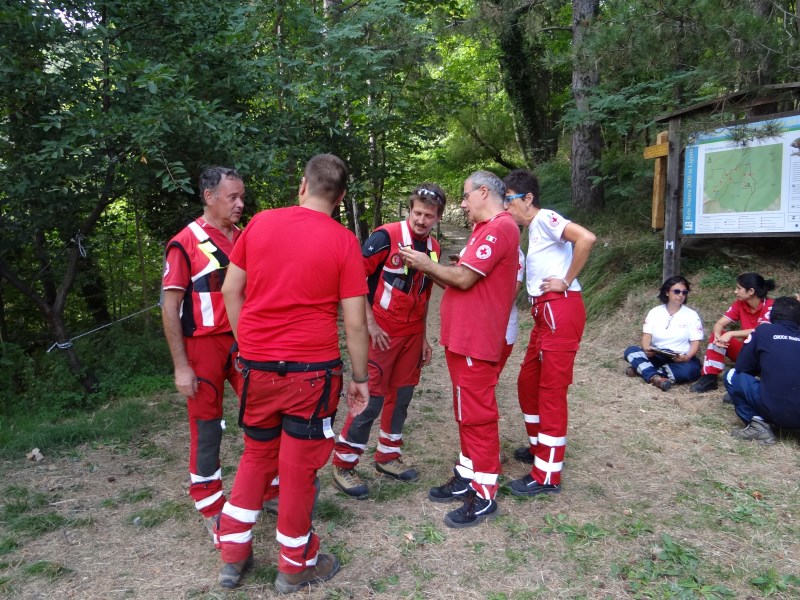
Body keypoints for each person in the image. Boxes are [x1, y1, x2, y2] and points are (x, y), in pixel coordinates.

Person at [216, 154, 370, 593]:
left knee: (256, 456)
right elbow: (355, 323)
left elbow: (231, 290)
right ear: (339, 199)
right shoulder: (343, 242)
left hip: (258, 369)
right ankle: (295, 565)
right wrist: (360, 378)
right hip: (312, 375)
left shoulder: (261, 223)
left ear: (303, 186)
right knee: (299, 469)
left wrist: (248, 346)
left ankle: (233, 555)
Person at [398, 170, 519, 528]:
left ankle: (484, 494)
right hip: (464, 337)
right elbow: (461, 277)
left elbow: (465, 279)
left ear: (484, 192)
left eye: (466, 196)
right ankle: (467, 474)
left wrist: (423, 263)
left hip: (477, 339)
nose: (463, 204)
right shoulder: (484, 230)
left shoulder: (500, 227)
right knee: (466, 410)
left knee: (478, 415)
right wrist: (429, 267)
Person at [331, 184, 445, 498]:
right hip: (380, 334)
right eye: (417, 213)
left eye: (429, 216)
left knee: (402, 396)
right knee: (372, 398)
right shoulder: (385, 237)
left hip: (411, 336)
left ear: (438, 217)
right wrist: (369, 323)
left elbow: (423, 297)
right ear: (409, 210)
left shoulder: (432, 247)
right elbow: (354, 281)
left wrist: (423, 339)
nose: (422, 220)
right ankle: (344, 463)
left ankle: (388, 456)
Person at [161, 166, 245, 539]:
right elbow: (169, 307)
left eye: (242, 197)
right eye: (233, 197)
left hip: (244, 342)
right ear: (209, 196)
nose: (240, 203)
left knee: (263, 412)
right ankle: (211, 504)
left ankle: (273, 487)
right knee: (207, 426)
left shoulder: (245, 236)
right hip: (203, 346)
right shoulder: (186, 241)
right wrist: (181, 366)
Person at [502, 168, 596, 497]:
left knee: (552, 392)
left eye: (510, 199)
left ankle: (547, 474)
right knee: (528, 382)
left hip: (561, 307)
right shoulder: (533, 229)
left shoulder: (545, 218)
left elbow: (586, 238)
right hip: (545, 313)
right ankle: (540, 446)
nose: (507, 206)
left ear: (528, 199)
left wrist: (566, 280)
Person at [724, 296, 800, 445]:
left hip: (772, 407)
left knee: (732, 375)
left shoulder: (763, 331)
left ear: (771, 315)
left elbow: (742, 368)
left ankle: (758, 425)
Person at [691, 272, 775, 393]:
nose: (735, 291)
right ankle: (709, 378)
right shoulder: (740, 304)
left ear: (751, 291)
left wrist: (730, 334)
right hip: (746, 352)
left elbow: (760, 331)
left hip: (764, 356)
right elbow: (719, 324)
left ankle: (749, 381)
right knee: (716, 335)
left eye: (739, 288)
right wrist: (718, 336)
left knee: (728, 336)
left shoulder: (770, 305)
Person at [623, 276, 704, 391]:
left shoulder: (691, 315)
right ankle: (654, 377)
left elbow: (695, 342)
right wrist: (647, 349)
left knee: (691, 371)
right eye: (677, 291)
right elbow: (647, 336)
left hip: (679, 357)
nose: (681, 295)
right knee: (631, 351)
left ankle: (643, 371)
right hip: (657, 353)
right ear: (667, 292)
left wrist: (687, 357)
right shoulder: (655, 312)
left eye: (684, 292)